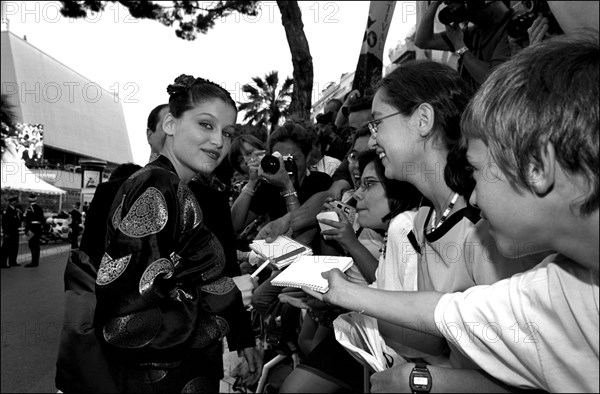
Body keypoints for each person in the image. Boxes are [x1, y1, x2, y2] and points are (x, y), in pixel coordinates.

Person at [307, 34, 599, 392]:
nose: (370, 141)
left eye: (377, 123)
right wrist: (350, 293)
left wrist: (421, 380)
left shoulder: (496, 231)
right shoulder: (426, 218)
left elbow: (525, 373)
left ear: (422, 119)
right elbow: (448, 315)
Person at [94, 74, 261, 392]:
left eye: (227, 133)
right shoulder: (158, 185)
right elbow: (125, 314)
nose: (218, 142)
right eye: (206, 125)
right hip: (159, 375)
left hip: (185, 366)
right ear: (170, 124)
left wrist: (238, 325)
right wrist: (226, 295)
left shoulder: (189, 191)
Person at [280, 151, 424, 393]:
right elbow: (381, 289)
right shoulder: (392, 227)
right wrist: (328, 299)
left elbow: (404, 310)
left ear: (398, 185)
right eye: (359, 184)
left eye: (369, 185)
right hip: (367, 328)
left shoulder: (405, 226)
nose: (357, 195)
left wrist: (338, 295)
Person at [415, 0, 513, 89]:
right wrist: (435, 3)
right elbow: (422, 41)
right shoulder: (474, 33)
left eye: (471, 13)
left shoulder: (516, 27)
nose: (470, 20)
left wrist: (460, 46)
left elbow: (493, 79)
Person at [24, 193, 44, 268]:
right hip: (38, 228)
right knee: (36, 245)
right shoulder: (39, 208)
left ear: (29, 200)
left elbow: (28, 220)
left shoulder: (30, 208)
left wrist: (27, 230)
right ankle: (36, 261)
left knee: (32, 245)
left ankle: (33, 262)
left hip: (32, 228)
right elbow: (42, 219)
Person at [1, 196, 21, 268]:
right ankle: (3, 263)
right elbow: (5, 223)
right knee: (6, 248)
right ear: (11, 202)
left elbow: (18, 221)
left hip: (15, 232)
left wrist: (19, 214)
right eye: (15, 201)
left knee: (14, 247)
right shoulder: (7, 210)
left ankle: (12, 261)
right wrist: (6, 233)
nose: (17, 202)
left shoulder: (15, 210)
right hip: (9, 233)